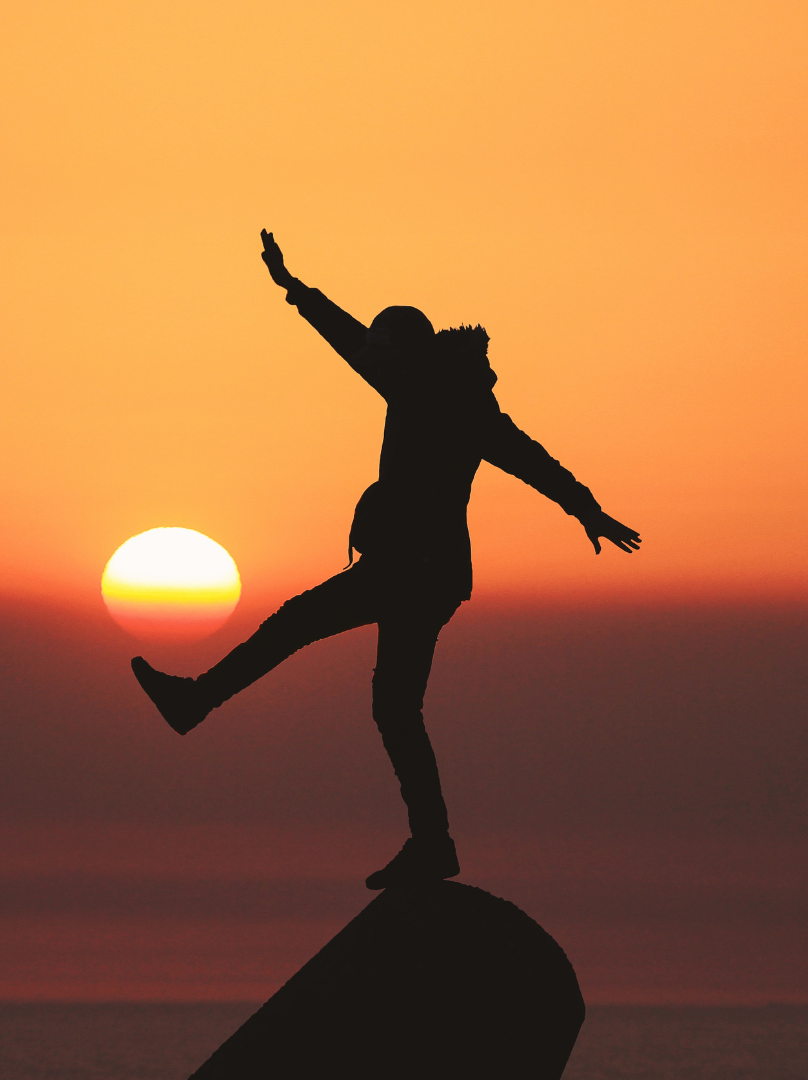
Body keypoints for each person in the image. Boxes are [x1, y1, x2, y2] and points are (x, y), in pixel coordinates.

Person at [132, 230, 641, 889]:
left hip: (412, 570)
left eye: (384, 354)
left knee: (299, 627)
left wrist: (586, 507)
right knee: (394, 707)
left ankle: (196, 703)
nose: (376, 364)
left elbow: (528, 457)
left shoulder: (447, 398)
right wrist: (295, 290)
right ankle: (432, 844)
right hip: (425, 574)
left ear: (403, 353)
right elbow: (353, 342)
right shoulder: (431, 384)